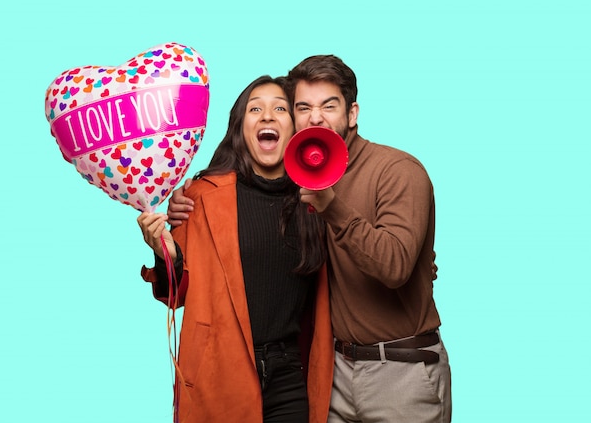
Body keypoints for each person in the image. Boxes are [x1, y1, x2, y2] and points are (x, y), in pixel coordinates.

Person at [169, 56, 452, 422]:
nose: (316, 118)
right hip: (334, 372)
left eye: (328, 106)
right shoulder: (296, 187)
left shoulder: (396, 171)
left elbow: (395, 267)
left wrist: (334, 209)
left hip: (398, 369)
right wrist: (182, 208)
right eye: (304, 107)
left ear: (352, 114)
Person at [137, 75, 334, 423]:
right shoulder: (200, 197)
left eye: (280, 108)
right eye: (255, 108)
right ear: (240, 127)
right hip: (220, 370)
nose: (268, 116)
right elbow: (175, 295)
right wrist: (163, 252)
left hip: (289, 374)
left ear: (295, 128)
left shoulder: (316, 200)